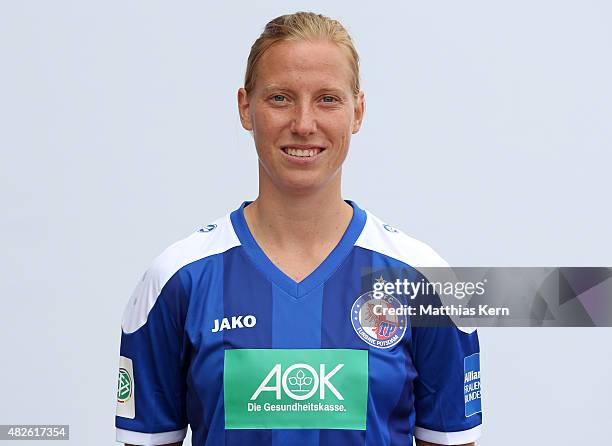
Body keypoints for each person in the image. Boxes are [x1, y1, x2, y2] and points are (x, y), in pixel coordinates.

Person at [115, 11, 482, 446]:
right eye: (280, 98)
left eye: (327, 99)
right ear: (245, 108)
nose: (304, 124)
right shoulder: (177, 279)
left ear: (357, 112)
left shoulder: (426, 281)